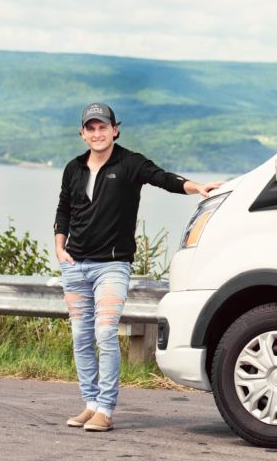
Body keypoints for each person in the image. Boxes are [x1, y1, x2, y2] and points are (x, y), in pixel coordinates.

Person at [54, 102, 221, 432]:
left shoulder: (129, 163)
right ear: (83, 133)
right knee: (80, 337)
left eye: (104, 127)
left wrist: (196, 187)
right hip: (75, 265)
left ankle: (105, 408)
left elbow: (163, 178)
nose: (98, 133)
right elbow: (64, 209)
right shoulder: (73, 168)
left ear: (115, 129)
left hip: (112, 266)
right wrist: (59, 246)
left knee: (104, 331)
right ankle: (90, 404)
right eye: (91, 128)